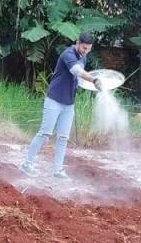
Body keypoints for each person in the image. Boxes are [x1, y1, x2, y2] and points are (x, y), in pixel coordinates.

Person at [21, 31, 103, 179]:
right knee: (45, 134)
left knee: (63, 137)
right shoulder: (68, 54)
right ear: (77, 43)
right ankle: (27, 163)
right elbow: (76, 71)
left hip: (68, 104)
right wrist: (94, 80)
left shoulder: (83, 57)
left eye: (88, 49)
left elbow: (78, 78)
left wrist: (90, 85)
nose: (86, 51)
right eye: (84, 48)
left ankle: (57, 170)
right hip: (54, 100)